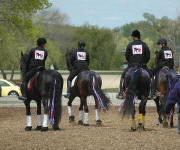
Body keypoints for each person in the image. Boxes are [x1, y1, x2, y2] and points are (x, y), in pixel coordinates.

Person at [117, 30, 151, 99]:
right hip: (142, 66)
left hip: (131, 66)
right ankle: (151, 92)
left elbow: (127, 56)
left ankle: (121, 92)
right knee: (151, 75)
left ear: (134, 37)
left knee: (123, 75)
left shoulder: (130, 45)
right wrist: (144, 63)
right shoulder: (144, 45)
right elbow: (148, 56)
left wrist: (131, 63)